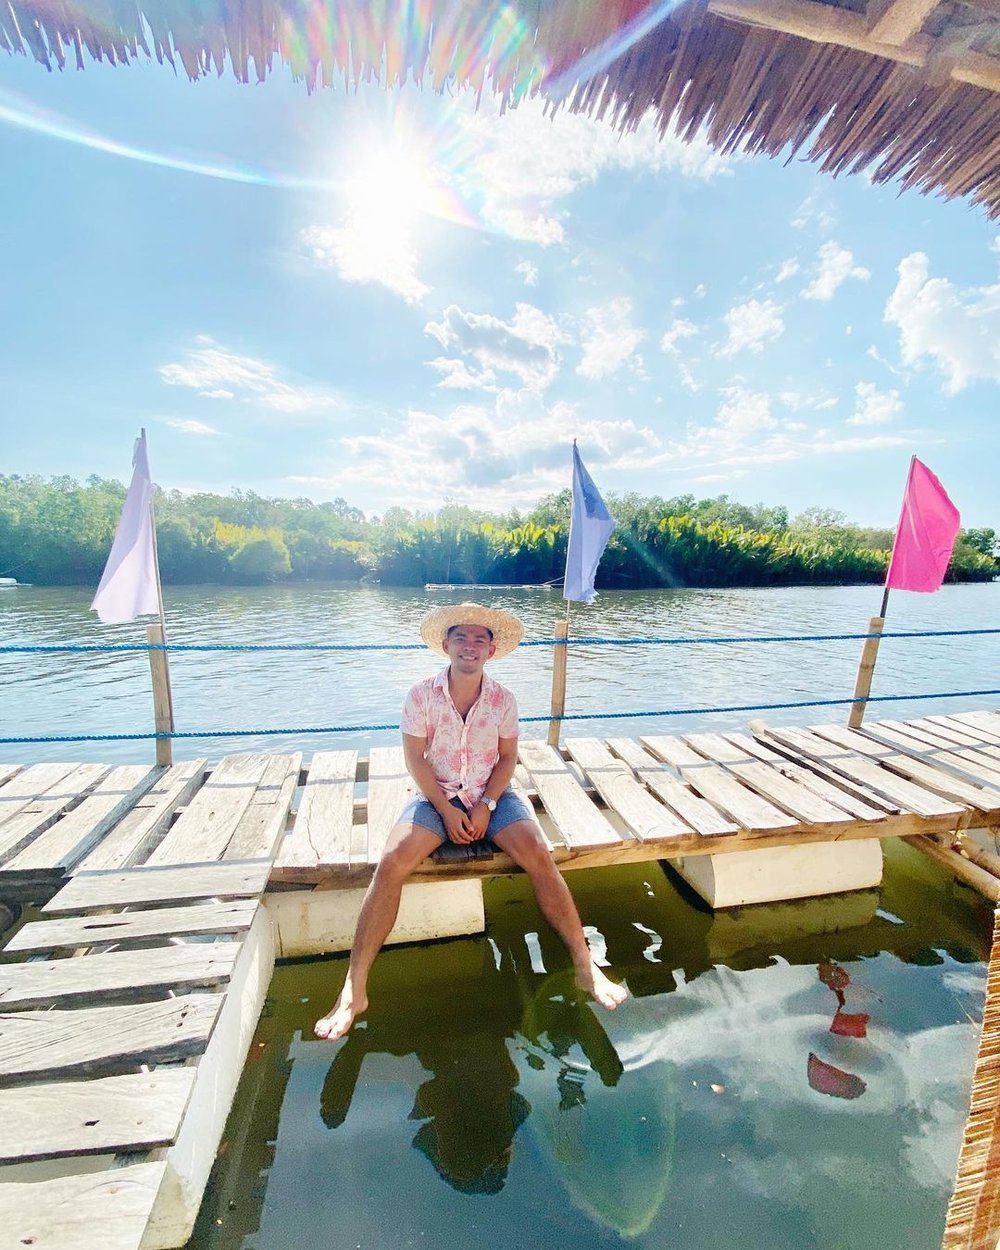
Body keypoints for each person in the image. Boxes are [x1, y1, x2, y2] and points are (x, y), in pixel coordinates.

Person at [314, 602, 628, 1041]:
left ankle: (584, 964)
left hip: (490, 794)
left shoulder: (503, 700)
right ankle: (354, 989)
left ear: (492, 650)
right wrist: (446, 810)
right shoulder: (420, 695)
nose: (470, 646)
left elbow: (507, 758)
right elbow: (415, 759)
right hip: (435, 795)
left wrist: (487, 805)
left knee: (539, 852)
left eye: (480, 639)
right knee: (392, 859)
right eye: (461, 637)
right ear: (446, 645)